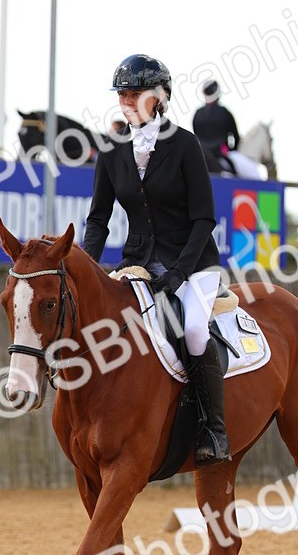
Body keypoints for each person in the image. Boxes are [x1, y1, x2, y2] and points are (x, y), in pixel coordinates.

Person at [83, 53, 231, 464]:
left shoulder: (185, 145)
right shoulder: (112, 151)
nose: (127, 101)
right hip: (138, 264)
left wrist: (181, 273)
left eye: (136, 94)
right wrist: (84, 270)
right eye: (122, 95)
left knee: (196, 332)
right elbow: (98, 220)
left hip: (193, 264)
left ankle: (213, 431)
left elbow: (205, 218)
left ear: (159, 97)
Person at [192, 79, 241, 173]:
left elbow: (195, 135)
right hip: (222, 155)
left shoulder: (198, 114)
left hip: (200, 154)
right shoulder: (225, 113)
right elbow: (236, 137)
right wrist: (231, 151)